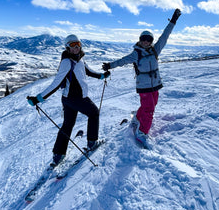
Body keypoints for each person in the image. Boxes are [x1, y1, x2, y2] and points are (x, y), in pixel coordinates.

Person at [27, 34, 110, 167]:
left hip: (68, 100)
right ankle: (92, 143)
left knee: (68, 125)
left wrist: (101, 76)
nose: (76, 47)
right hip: (77, 99)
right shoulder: (67, 62)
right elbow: (56, 83)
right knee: (94, 113)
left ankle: (58, 155)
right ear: (67, 47)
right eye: (72, 45)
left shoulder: (80, 59)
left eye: (78, 44)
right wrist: (39, 98)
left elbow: (88, 71)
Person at [102, 9, 181, 148]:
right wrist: (110, 65)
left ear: (151, 41)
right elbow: (123, 60)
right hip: (143, 85)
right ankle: (142, 132)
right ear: (140, 40)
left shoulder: (156, 49)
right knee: (149, 108)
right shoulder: (136, 53)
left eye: (148, 39)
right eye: (143, 39)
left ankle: (137, 118)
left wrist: (173, 21)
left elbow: (165, 36)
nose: (145, 41)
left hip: (155, 83)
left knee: (151, 105)